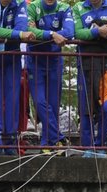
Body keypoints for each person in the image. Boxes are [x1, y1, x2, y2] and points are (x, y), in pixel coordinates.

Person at [74, 0, 107, 155]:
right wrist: (96, 32)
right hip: (86, 64)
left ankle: (99, 144)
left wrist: (106, 29)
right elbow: (77, 33)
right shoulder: (78, 7)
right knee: (86, 109)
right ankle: (87, 148)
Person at [0, 0, 34, 153]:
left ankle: (10, 142)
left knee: (13, 100)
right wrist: (17, 35)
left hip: (12, 56)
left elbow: (22, 26)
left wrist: (7, 34)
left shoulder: (19, 4)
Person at [28, 0, 75, 150]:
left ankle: (47, 144)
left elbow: (69, 32)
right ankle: (59, 138)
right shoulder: (33, 7)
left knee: (53, 104)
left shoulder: (64, 8)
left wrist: (40, 34)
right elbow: (28, 32)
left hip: (55, 61)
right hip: (35, 61)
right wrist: (52, 34)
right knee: (40, 101)